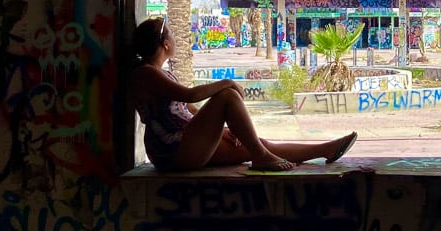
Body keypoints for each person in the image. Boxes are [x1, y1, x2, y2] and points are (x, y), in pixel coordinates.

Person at [129, 17, 358, 172]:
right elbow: (190, 95)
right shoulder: (146, 73)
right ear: (165, 44)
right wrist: (226, 83)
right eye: (172, 36)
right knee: (227, 95)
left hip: (186, 142)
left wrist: (223, 130)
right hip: (171, 150)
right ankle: (261, 157)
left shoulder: (161, 73)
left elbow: (191, 111)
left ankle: (324, 149)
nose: (176, 40)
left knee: (256, 143)